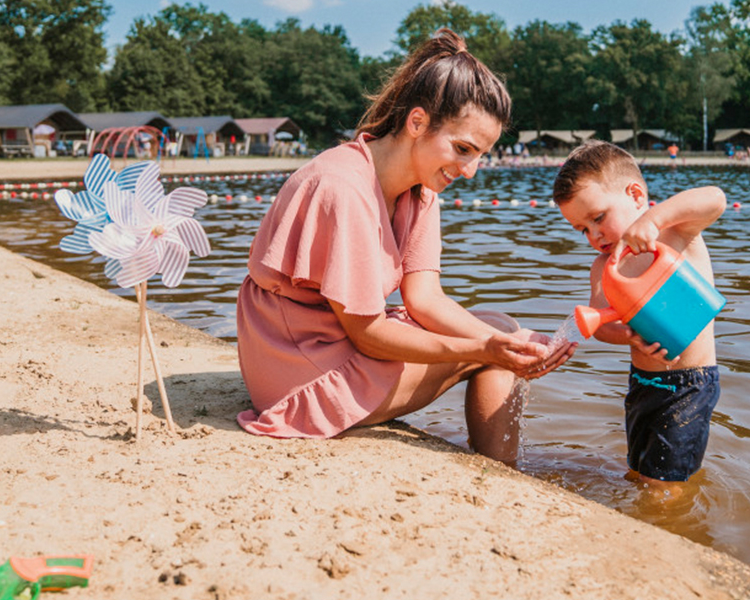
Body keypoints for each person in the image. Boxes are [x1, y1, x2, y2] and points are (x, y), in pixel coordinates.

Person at [234, 29, 573, 465]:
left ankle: (503, 461)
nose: (469, 171)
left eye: (480, 155)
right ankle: (504, 471)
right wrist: (483, 350)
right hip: (298, 371)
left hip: (332, 342)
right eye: (463, 148)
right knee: (492, 351)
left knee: (502, 328)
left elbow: (425, 299)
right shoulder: (342, 188)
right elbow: (369, 335)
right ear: (417, 123)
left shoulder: (422, 188)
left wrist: (510, 339)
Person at [552, 141, 726, 487]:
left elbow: (715, 198)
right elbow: (602, 323)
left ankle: (668, 523)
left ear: (635, 195)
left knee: (664, 482)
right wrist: (628, 335)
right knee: (640, 467)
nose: (594, 234)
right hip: (642, 383)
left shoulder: (675, 232)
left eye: (598, 218)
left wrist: (654, 218)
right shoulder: (603, 267)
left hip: (689, 384)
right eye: (582, 229)